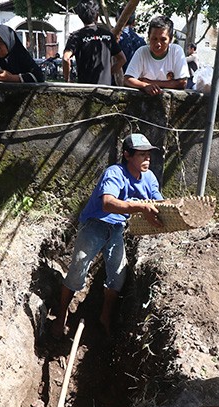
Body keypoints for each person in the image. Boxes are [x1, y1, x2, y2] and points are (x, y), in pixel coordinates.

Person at [51, 134, 163, 338]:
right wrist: (140, 206)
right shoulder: (115, 173)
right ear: (127, 155)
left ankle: (105, 316)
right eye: (142, 155)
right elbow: (108, 203)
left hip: (117, 229)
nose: (147, 159)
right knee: (77, 273)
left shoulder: (149, 178)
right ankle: (61, 316)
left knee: (118, 278)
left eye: (148, 155)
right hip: (95, 225)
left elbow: (160, 203)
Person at [63, 0, 125, 85]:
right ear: (97, 15)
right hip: (106, 88)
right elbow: (122, 59)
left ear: (80, 16)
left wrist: (67, 79)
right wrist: (108, 73)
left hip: (85, 89)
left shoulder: (76, 36)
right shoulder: (108, 35)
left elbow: (66, 58)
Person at [124, 16, 189, 95]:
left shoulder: (176, 51)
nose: (158, 44)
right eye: (154, 39)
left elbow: (182, 83)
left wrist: (150, 83)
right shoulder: (142, 52)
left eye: (163, 40)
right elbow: (128, 79)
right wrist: (145, 85)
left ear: (170, 39)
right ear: (149, 37)